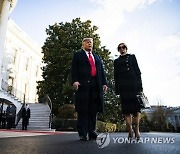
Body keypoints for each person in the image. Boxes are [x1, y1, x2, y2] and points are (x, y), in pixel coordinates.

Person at [71, 38, 108, 141]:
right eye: (87, 42)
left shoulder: (97, 57)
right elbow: (73, 69)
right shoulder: (78, 55)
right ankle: (83, 133)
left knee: (93, 110)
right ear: (83, 44)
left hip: (96, 86)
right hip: (83, 86)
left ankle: (92, 132)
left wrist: (104, 83)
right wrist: (75, 81)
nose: (89, 44)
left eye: (91, 42)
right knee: (83, 109)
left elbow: (101, 71)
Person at [114, 43, 143, 140]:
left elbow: (138, 71)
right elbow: (116, 76)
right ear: (118, 50)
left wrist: (140, 87)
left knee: (136, 110)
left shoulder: (132, 57)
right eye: (120, 48)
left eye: (123, 47)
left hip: (133, 84)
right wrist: (117, 89)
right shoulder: (116, 61)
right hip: (123, 86)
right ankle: (130, 130)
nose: (122, 49)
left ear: (126, 48)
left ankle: (137, 129)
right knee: (126, 110)